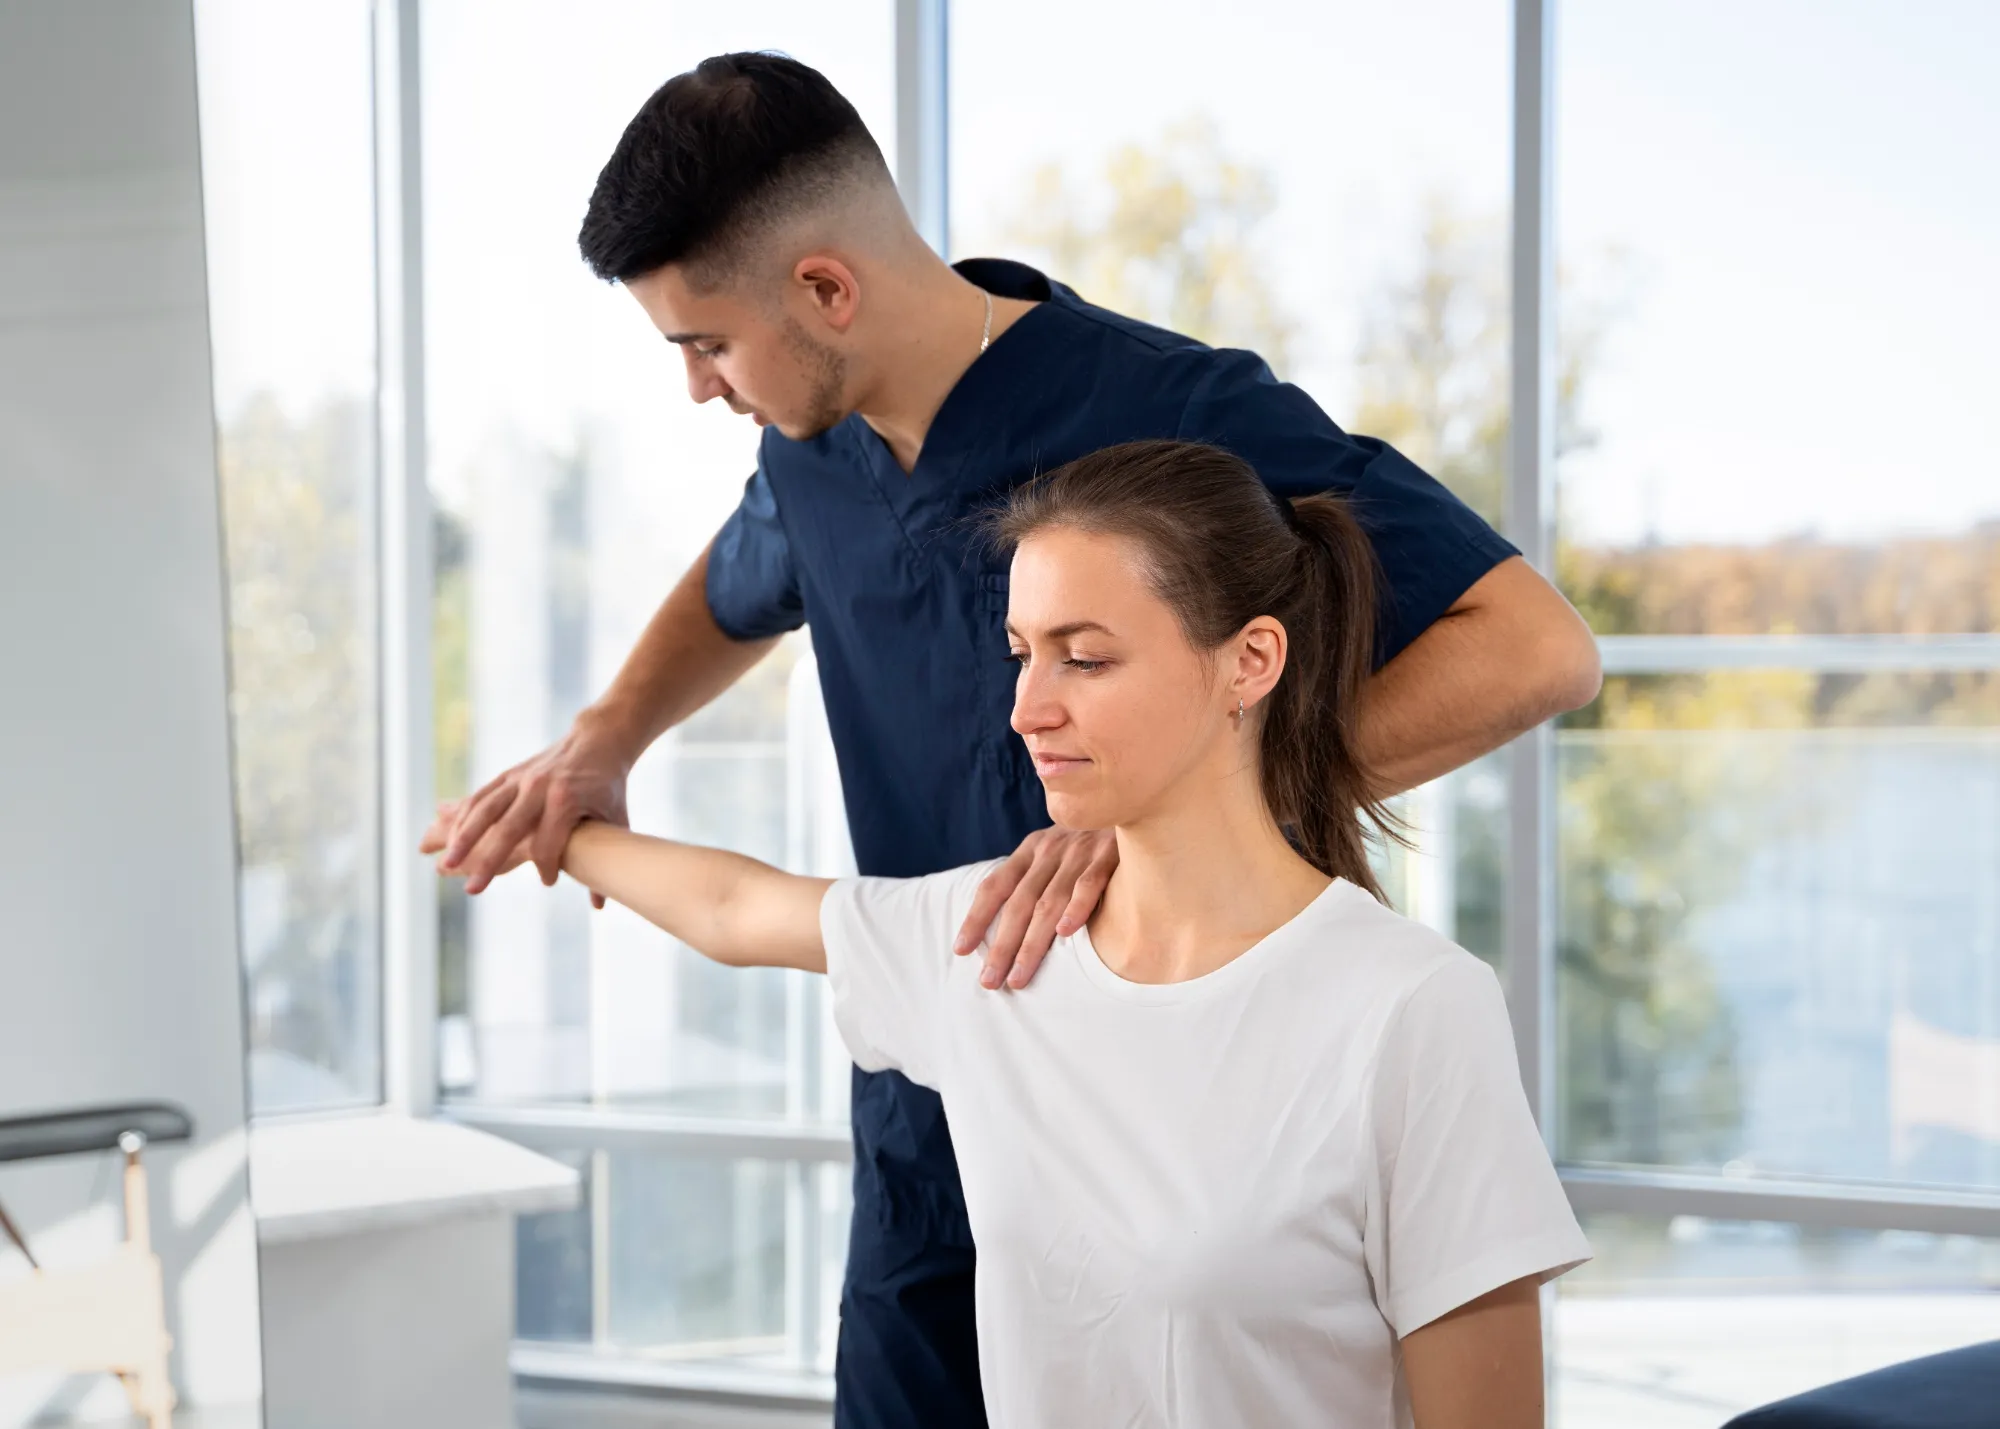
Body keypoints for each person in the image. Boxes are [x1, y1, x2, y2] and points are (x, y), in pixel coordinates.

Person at [423, 53, 1602, 1429]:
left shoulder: (1175, 415)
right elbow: (744, 583)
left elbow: (1534, 647)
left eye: (706, 342)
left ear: (822, 288)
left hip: (1178, 1124)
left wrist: (1178, 821)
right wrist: (600, 742)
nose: (697, 387)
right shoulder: (812, 449)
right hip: (934, 1123)